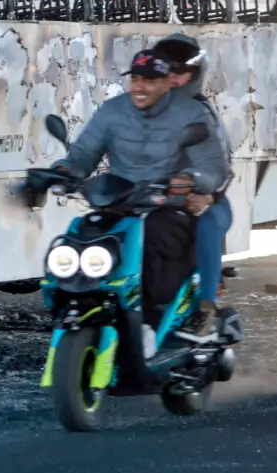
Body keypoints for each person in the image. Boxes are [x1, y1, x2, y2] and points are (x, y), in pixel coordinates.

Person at [55, 49, 231, 334]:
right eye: (135, 79)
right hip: (120, 203)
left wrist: (191, 179)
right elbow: (84, 153)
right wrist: (64, 170)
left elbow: (215, 166)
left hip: (170, 206)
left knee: (151, 238)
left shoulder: (193, 113)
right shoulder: (113, 110)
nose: (139, 86)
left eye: (149, 80)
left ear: (165, 83)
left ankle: (152, 321)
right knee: (82, 233)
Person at [151, 34, 233, 342]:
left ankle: (205, 308)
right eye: (165, 71)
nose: (172, 79)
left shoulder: (202, 113)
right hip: (156, 198)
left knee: (208, 228)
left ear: (193, 76)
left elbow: (223, 167)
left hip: (207, 200)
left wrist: (208, 195)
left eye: (179, 72)